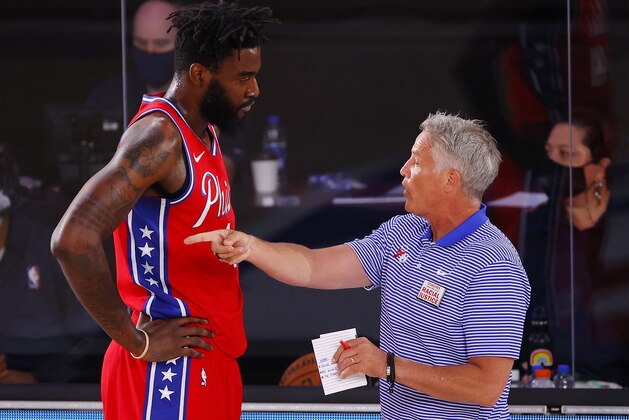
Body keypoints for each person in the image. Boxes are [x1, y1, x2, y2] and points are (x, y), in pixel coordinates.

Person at [186, 112, 532, 419]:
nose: (403, 171)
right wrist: (249, 247)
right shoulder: (405, 231)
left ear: (450, 180)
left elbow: (486, 387)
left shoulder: (494, 265)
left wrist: (387, 366)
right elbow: (312, 266)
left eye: (416, 162)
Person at [51, 2, 277, 419]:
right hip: (168, 370)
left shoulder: (203, 128)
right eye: (243, 77)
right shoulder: (158, 138)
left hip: (207, 354)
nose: (254, 89)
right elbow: (71, 239)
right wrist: (137, 341)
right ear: (199, 75)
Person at [0, 148, 105, 384]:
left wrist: (34, 379)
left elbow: (89, 337)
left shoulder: (48, 247)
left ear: (6, 191)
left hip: (45, 385)